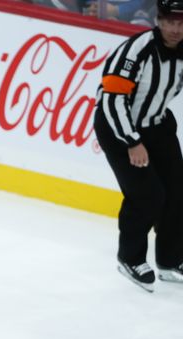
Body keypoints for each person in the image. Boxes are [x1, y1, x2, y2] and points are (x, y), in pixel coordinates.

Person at [94, 0, 183, 292]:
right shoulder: (138, 50)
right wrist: (132, 141)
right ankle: (129, 258)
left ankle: (170, 260)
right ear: (158, 20)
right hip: (119, 129)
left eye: (181, 23)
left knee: (177, 192)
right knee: (148, 194)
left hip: (158, 125)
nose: (175, 29)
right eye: (169, 21)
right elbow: (111, 99)